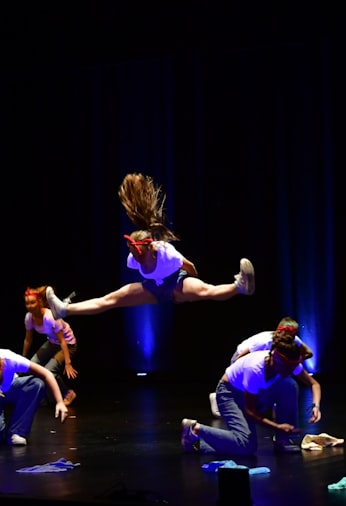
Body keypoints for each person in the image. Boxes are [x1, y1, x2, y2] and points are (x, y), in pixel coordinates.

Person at [45, 172, 254, 320]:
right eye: (133, 255)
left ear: (150, 251)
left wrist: (192, 283)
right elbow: (138, 269)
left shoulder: (165, 253)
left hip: (176, 283)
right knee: (109, 300)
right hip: (153, 288)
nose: (136, 260)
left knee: (207, 290)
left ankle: (240, 287)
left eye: (139, 256)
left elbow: (188, 265)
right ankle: (64, 310)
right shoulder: (132, 257)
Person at [180, 330, 321, 455]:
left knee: (289, 385)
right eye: (288, 367)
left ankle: (282, 441)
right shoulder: (255, 370)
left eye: (293, 367)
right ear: (276, 359)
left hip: (252, 394)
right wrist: (277, 426)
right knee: (246, 445)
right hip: (230, 395)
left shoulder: (287, 365)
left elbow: (314, 384)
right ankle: (195, 430)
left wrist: (316, 406)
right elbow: (251, 412)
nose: (291, 371)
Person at [208, 316, 313, 417]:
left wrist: (291, 362)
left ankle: (275, 407)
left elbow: (309, 353)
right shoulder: (264, 341)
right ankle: (219, 398)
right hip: (245, 360)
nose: (287, 338)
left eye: (291, 336)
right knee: (244, 391)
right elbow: (239, 359)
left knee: (279, 382)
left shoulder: (293, 341)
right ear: (278, 332)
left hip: (267, 363)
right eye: (285, 335)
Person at [22, 286, 77, 407]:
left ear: (40, 302)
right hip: (52, 342)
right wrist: (23, 358)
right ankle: (44, 397)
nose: (30, 306)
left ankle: (68, 392)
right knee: (32, 366)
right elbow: (28, 339)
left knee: (49, 371)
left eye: (32, 302)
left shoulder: (50, 317)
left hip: (68, 344)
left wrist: (68, 363)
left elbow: (62, 340)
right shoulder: (29, 318)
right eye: (27, 303)